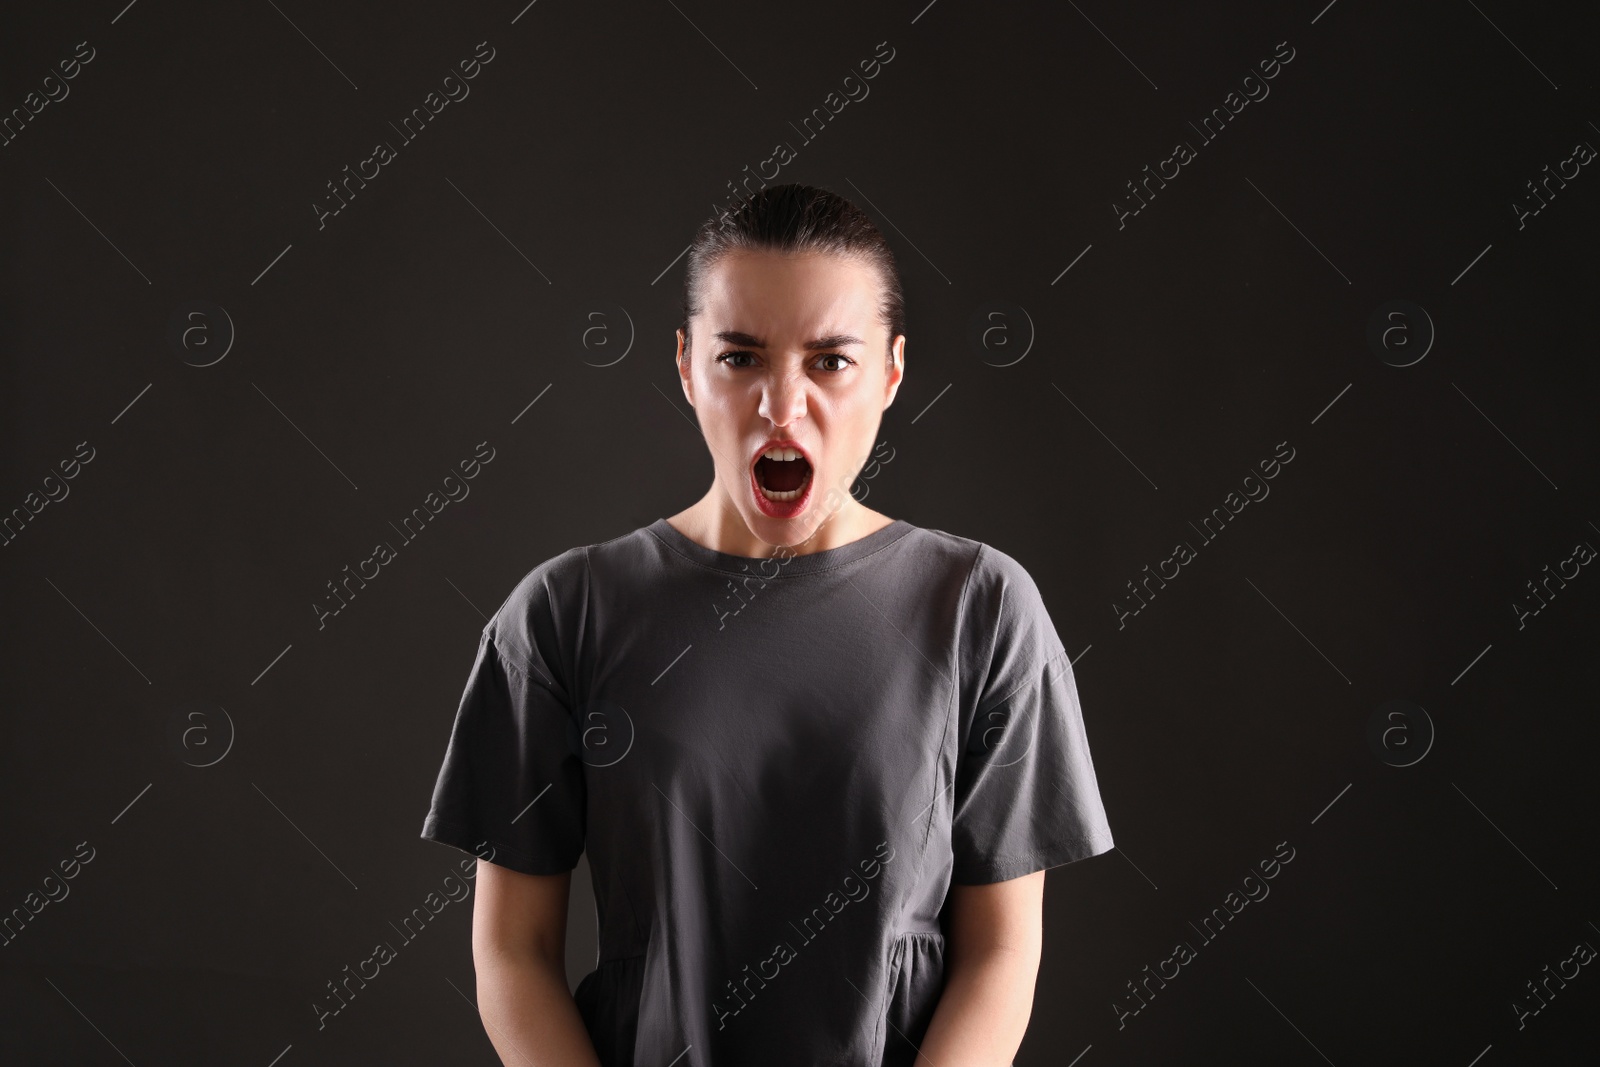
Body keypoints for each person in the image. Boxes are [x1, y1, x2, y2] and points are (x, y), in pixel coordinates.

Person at [419, 183, 1115, 1066]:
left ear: (892, 373)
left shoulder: (982, 608)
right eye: (741, 358)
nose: (781, 408)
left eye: (830, 361)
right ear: (685, 365)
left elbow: (1004, 952)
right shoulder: (564, 615)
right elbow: (512, 952)